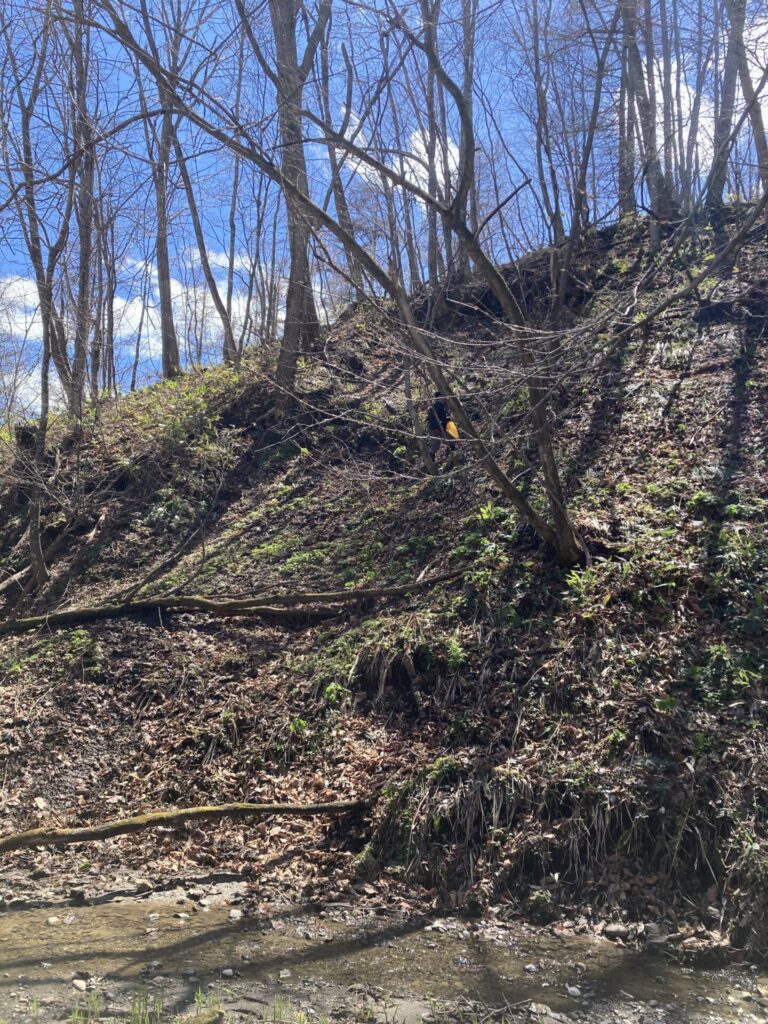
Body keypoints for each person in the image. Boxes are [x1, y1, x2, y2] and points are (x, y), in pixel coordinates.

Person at [427, 392, 458, 459]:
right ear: (439, 397)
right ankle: (430, 459)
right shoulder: (438, 405)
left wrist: (447, 420)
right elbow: (433, 418)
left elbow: (441, 417)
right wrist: (436, 428)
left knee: (450, 438)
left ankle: (451, 452)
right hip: (435, 428)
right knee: (436, 444)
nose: (444, 398)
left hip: (440, 427)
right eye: (443, 396)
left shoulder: (440, 405)